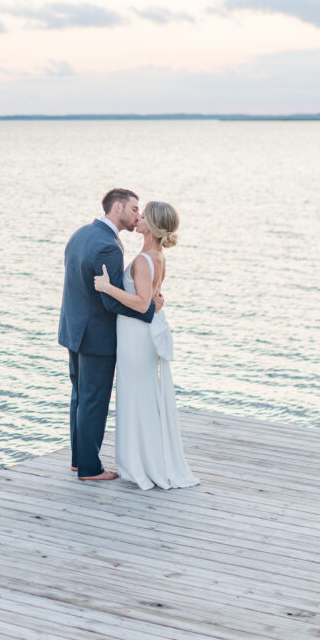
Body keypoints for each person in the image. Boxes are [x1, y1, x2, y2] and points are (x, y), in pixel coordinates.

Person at [58, 189, 162, 481]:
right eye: (133, 209)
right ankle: (90, 469)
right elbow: (110, 300)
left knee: (80, 396)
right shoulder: (109, 246)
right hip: (96, 336)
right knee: (94, 400)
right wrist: (149, 308)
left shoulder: (81, 234)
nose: (137, 216)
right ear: (117, 207)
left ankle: (80, 460)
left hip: (73, 328)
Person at [94, 200, 199, 490]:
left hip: (135, 334)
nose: (137, 217)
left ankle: (141, 465)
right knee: (141, 397)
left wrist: (107, 287)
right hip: (141, 334)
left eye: (142, 214)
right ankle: (145, 460)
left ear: (150, 225)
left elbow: (141, 304)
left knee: (135, 396)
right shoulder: (157, 255)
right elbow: (152, 296)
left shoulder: (143, 260)